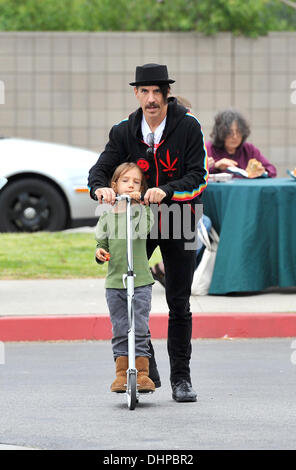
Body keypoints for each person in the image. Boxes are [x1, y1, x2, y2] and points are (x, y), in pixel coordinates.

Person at [88, 63, 208, 402]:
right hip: (139, 220)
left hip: (178, 216)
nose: (151, 99)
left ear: (167, 94)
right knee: (134, 295)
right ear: (137, 94)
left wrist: (166, 191)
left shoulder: (187, 126)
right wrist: (102, 189)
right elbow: (100, 170)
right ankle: (146, 369)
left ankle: (181, 380)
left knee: (179, 301)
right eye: (145, 92)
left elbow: (198, 178)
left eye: (158, 92)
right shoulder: (125, 129)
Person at [95, 162, 155, 393]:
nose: (130, 185)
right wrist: (99, 253)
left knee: (139, 327)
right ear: (114, 186)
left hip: (139, 281)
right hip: (115, 283)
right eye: (125, 181)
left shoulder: (140, 212)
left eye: (136, 182)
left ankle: (142, 374)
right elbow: (101, 244)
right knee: (120, 328)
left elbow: (143, 230)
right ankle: (121, 374)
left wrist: (140, 204)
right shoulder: (107, 217)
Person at [150, 96, 213, 288]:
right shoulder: (158, 142)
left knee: (201, 224)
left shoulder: (193, 140)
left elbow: (197, 175)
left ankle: (169, 270)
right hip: (161, 209)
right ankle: (167, 269)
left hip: (186, 207)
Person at [207, 109, 277, 178]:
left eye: (239, 132)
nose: (235, 136)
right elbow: (198, 174)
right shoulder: (208, 149)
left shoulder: (249, 149)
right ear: (220, 133)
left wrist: (262, 171)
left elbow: (272, 170)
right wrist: (215, 166)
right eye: (230, 132)